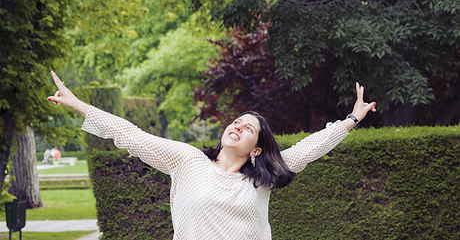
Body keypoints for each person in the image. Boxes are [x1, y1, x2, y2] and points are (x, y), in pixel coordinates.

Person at [47, 70, 376, 239]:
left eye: (248, 129)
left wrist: (352, 119)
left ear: (257, 149)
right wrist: (78, 105)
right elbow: (132, 135)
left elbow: (308, 148)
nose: (237, 126)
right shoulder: (187, 161)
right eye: (235, 122)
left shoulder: (262, 180)